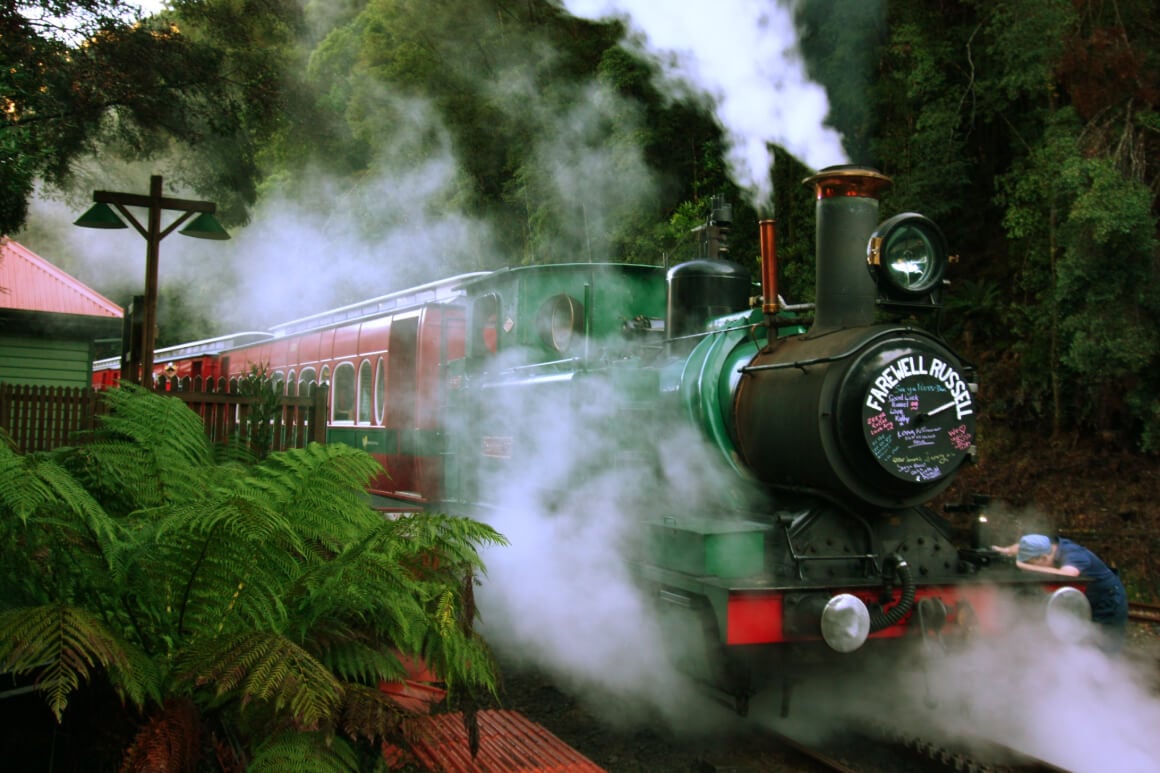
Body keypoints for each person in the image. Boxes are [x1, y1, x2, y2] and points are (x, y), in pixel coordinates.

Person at [992, 534, 1128, 652]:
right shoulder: (1047, 546)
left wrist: (1026, 566)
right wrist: (1007, 550)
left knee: (1103, 645)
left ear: (1043, 558)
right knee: (1080, 642)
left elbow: (1069, 574)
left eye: (1033, 563)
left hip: (1109, 600)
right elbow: (1022, 546)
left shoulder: (1074, 555)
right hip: (1086, 598)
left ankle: (1106, 676)